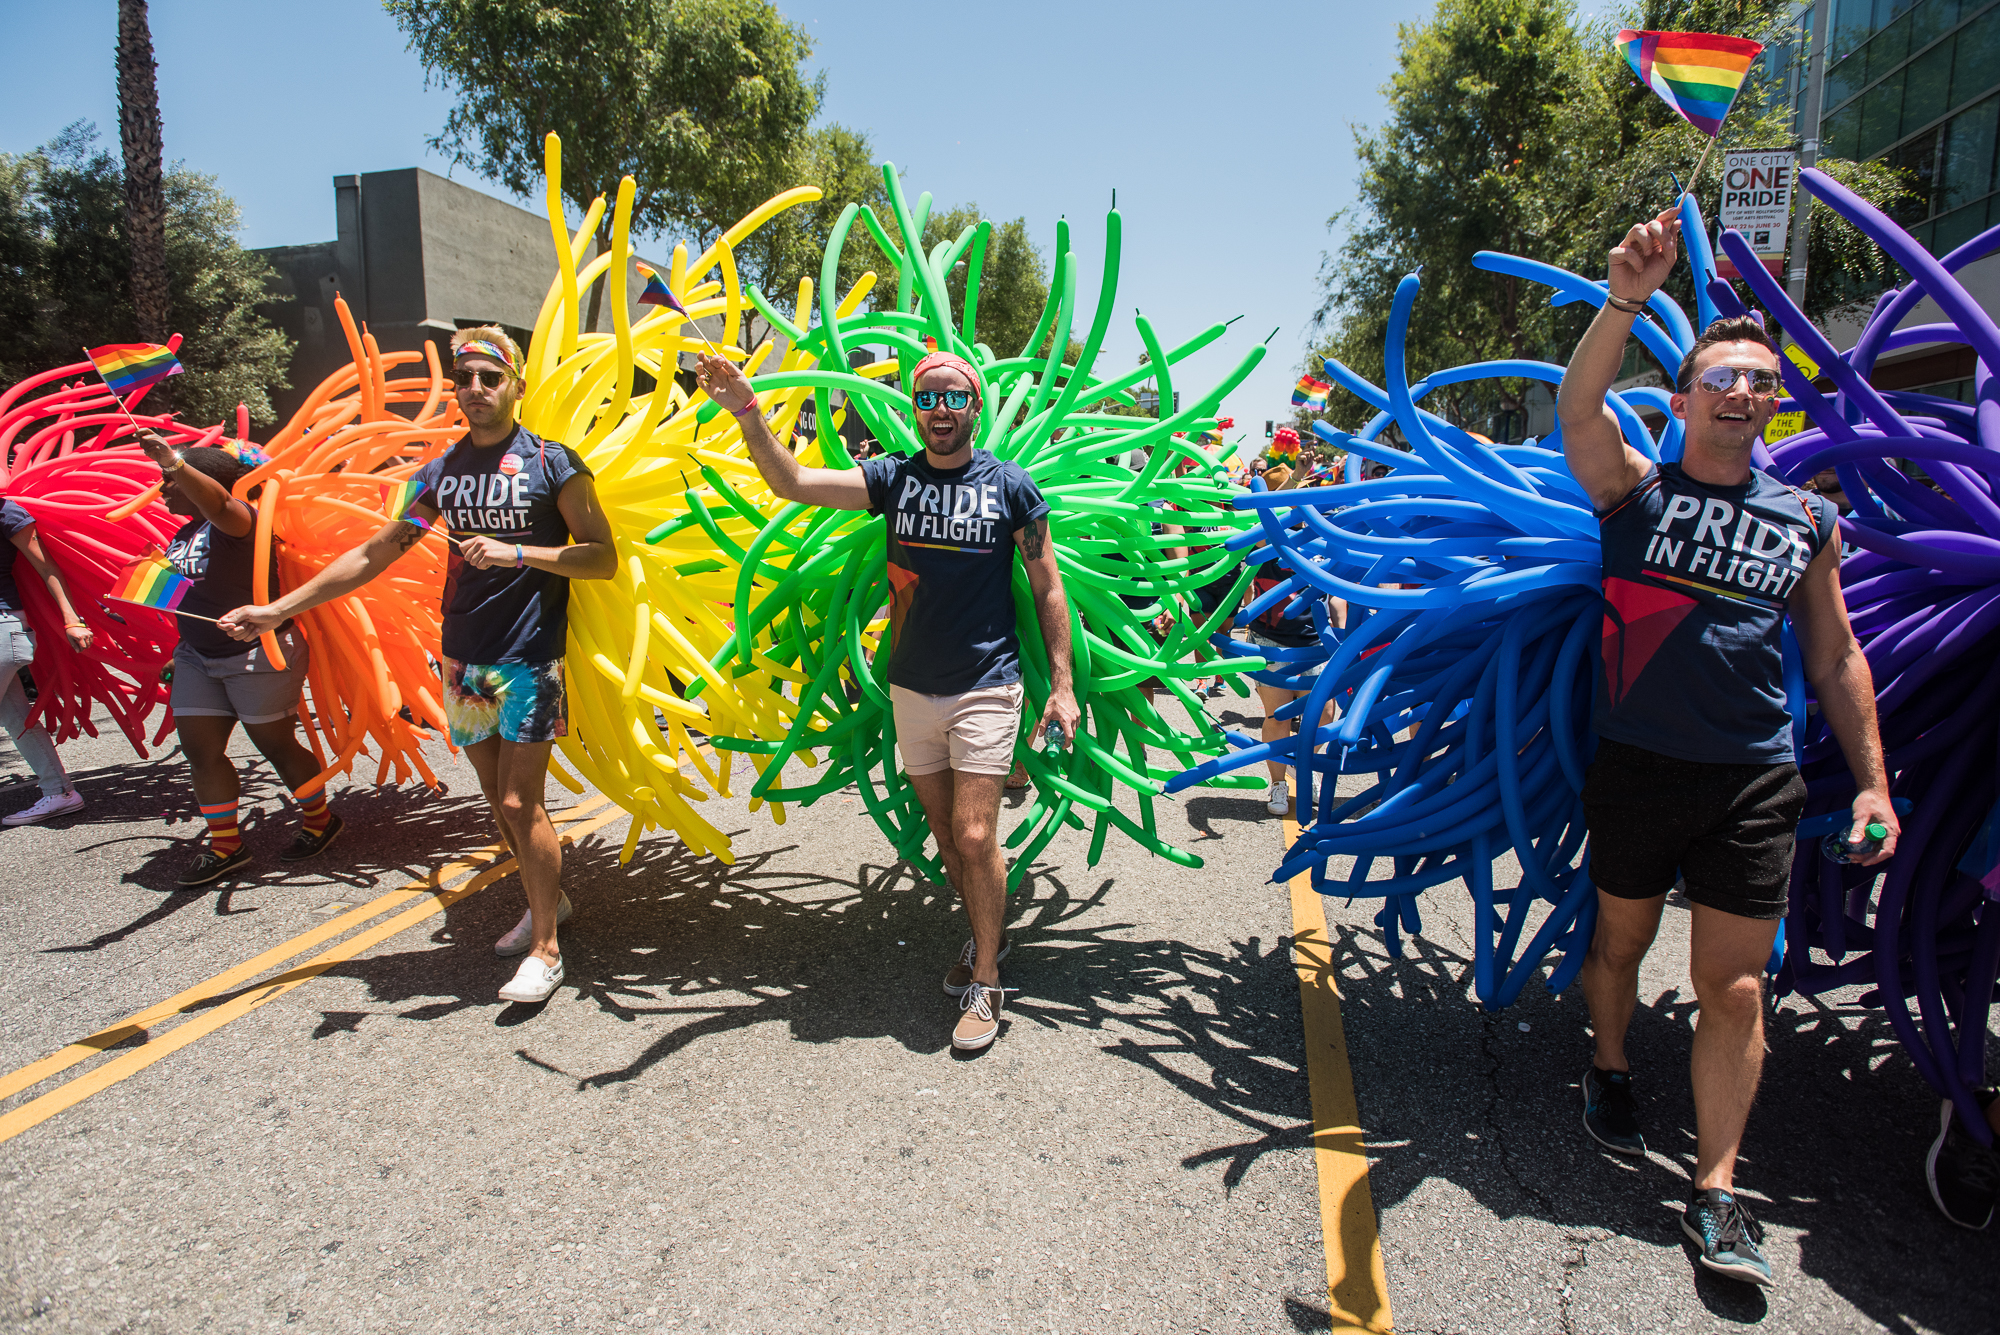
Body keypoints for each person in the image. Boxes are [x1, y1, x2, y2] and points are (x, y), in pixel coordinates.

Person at [1556, 209, 1897, 1286]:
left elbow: (1835, 655)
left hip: (1752, 777)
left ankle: (1712, 1188)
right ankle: (1607, 1063)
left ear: (1771, 401)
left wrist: (1875, 785)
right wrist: (1620, 297)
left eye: (1758, 380)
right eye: (1722, 379)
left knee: (1735, 987)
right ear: (1681, 400)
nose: (1741, 393)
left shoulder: (1804, 519)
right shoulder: (1632, 493)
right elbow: (1575, 406)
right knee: (1616, 948)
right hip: (1637, 767)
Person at [219, 328, 616, 1004]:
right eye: (466, 379)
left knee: (523, 801)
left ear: (516, 386)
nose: (476, 390)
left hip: (527, 655)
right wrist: (277, 608)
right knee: (499, 805)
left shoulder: (554, 464)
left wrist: (522, 555)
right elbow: (375, 552)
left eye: (492, 378)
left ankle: (547, 948)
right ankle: (552, 904)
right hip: (465, 658)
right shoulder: (442, 474)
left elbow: (601, 555)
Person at [705, 345, 1079, 1053]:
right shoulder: (893, 480)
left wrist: (1060, 684)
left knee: (974, 835)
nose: (940, 411)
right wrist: (748, 412)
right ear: (916, 409)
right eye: (927, 399)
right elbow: (793, 484)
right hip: (912, 685)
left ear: (976, 405)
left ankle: (989, 976)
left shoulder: (1012, 488)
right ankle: (981, 933)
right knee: (948, 841)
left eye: (953, 398)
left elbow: (1047, 584)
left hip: (987, 684)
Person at [134, 435, 339, 885]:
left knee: (276, 745)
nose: (163, 487)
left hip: (256, 655)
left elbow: (223, 504)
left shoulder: (242, 521)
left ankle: (320, 820)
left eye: (170, 480)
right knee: (201, 752)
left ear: (203, 482)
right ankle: (226, 846)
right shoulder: (184, 532)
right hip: (196, 657)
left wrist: (175, 459)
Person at [0, 497, 93, 825]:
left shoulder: (5, 511)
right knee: (15, 717)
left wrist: (73, 620)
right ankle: (61, 793)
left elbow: (47, 567)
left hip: (2, 626)